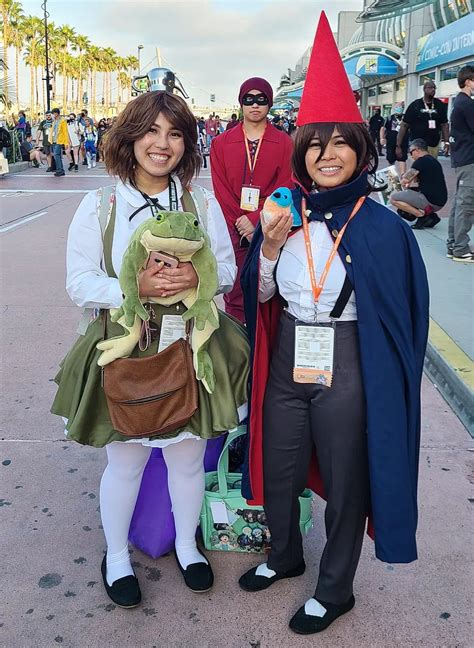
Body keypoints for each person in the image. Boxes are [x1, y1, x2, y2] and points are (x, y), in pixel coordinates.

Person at [240, 12, 429, 636]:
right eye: (315, 144)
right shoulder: (283, 214)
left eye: (339, 143)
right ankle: (285, 554)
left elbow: (405, 323)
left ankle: (335, 588)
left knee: (348, 479)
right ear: (302, 152)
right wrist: (266, 249)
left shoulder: (384, 228)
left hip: (347, 358)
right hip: (292, 345)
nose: (326, 155)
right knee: (279, 465)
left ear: (360, 149)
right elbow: (262, 297)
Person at [51, 90, 249, 608]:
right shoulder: (100, 203)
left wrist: (192, 279)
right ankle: (116, 555)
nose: (162, 144)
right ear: (130, 136)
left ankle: (187, 546)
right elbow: (79, 282)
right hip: (127, 350)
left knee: (188, 461)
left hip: (189, 347)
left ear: (187, 142)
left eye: (176, 133)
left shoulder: (200, 202)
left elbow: (226, 271)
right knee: (126, 463)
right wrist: (135, 287)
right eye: (152, 131)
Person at [210, 76, 293, 322]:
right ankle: (236, 351)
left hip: (271, 228)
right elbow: (221, 189)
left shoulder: (284, 142)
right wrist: (241, 222)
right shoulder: (221, 143)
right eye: (249, 99)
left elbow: (287, 185)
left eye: (261, 100)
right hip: (234, 232)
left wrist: (257, 219)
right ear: (241, 103)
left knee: (271, 290)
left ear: (269, 104)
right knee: (235, 293)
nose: (255, 105)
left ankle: (265, 353)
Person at [446, 64, 474, 263]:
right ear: (469, 81)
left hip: (462, 158)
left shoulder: (459, 103)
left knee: (459, 202)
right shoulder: (467, 104)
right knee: (466, 204)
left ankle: (454, 243)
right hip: (469, 158)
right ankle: (461, 248)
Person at [390, 138, 447, 229]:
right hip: (440, 200)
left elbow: (405, 180)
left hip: (430, 200)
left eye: (411, 152)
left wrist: (397, 178)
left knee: (393, 198)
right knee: (408, 192)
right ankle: (431, 216)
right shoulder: (433, 160)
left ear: (417, 150)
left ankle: (422, 216)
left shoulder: (420, 161)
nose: (411, 155)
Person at [396, 81, 449, 159]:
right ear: (424, 89)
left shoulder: (439, 105)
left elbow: (444, 124)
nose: (433, 90)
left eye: (434, 88)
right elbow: (404, 125)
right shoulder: (415, 105)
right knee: (418, 168)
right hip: (418, 145)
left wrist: (446, 142)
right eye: (430, 88)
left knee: (432, 168)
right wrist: (398, 145)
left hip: (433, 144)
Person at [381, 103, 408, 175]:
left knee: (402, 159)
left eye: (401, 107)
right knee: (390, 160)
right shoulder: (389, 118)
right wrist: (382, 138)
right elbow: (383, 128)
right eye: (397, 107)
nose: (399, 108)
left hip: (403, 142)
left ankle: (403, 177)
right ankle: (393, 180)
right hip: (391, 143)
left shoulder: (406, 118)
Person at [51, 108, 70, 177]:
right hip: (54, 140)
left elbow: (65, 132)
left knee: (56, 155)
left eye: (53, 113)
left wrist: (66, 143)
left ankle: (60, 170)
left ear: (56, 113)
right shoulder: (54, 121)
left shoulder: (62, 121)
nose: (52, 115)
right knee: (57, 155)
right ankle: (60, 170)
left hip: (59, 140)